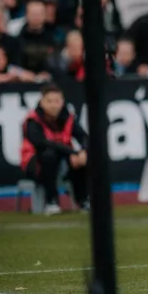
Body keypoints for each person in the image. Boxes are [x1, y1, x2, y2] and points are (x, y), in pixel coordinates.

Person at [20, 82, 89, 215]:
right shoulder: (32, 121)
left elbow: (84, 137)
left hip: (63, 160)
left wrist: (83, 152)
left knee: (83, 159)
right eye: (49, 101)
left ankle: (84, 199)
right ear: (41, 102)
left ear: (62, 102)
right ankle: (51, 201)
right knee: (48, 155)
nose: (53, 105)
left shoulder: (68, 118)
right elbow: (41, 143)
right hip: (35, 164)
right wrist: (73, 152)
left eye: (57, 101)